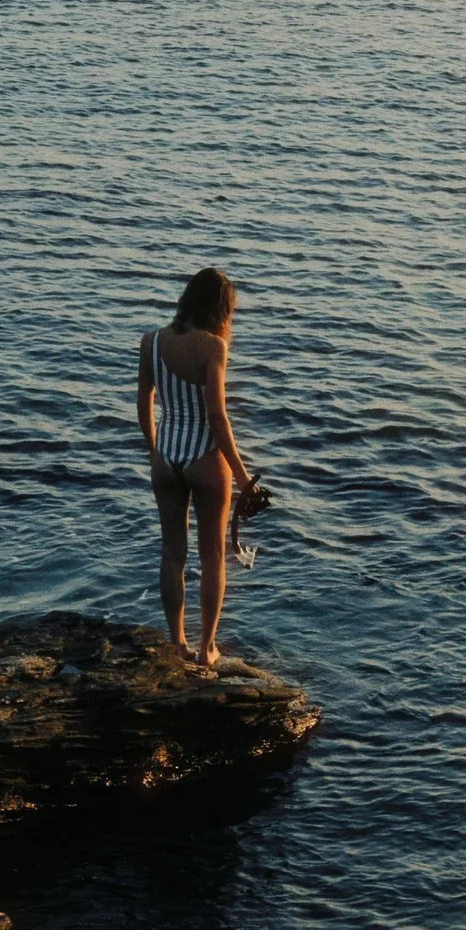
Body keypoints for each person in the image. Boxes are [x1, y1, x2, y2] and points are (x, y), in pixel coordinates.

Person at [138, 266, 260, 668]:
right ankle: (207, 649)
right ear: (220, 310)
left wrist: (155, 450)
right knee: (212, 558)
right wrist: (244, 479)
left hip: (166, 456)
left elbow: (144, 402)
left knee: (172, 554)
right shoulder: (213, 348)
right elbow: (217, 419)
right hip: (205, 458)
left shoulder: (151, 341)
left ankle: (176, 643)